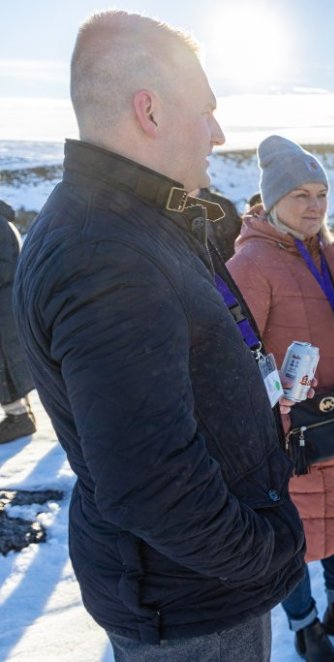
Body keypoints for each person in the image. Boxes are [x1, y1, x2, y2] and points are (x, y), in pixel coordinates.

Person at [12, 11, 306, 660]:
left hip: (191, 585)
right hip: (191, 604)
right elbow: (152, 484)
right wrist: (269, 549)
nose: (219, 133)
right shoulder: (105, 256)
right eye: (206, 111)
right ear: (149, 111)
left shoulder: (132, 223)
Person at [227, 135, 334, 661]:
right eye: (300, 195)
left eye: (321, 194)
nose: (314, 206)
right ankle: (304, 626)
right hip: (291, 425)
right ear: (273, 199)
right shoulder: (251, 263)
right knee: (296, 527)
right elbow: (232, 356)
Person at [0, 200, 35, 444]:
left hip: (4, 308)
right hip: (6, 304)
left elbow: (3, 268)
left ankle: (19, 417)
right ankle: (20, 414)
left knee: (6, 362)